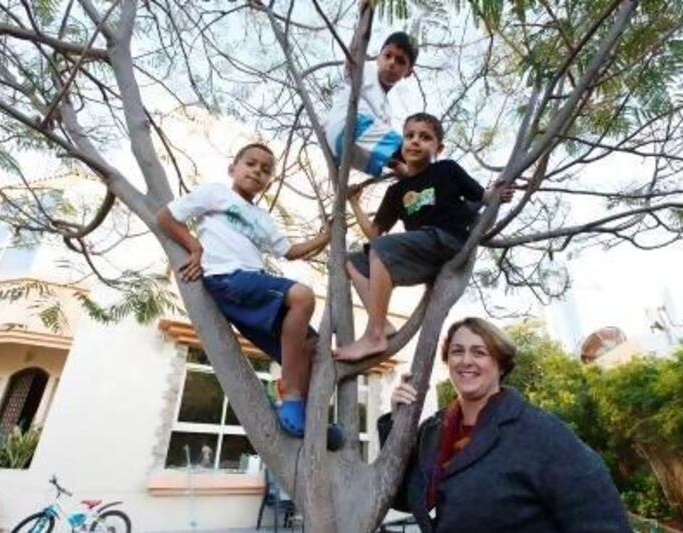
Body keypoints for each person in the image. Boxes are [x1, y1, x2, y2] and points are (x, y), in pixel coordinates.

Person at [378, 317, 631, 532]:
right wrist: (396, 422)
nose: (466, 360)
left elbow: (603, 520)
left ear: (500, 365)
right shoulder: (433, 432)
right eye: (457, 351)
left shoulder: (539, 433)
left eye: (479, 352)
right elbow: (403, 498)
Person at [156, 143, 329, 440]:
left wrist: (326, 235)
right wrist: (195, 247)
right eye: (251, 164)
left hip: (253, 285)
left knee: (312, 345)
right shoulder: (216, 193)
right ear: (232, 168)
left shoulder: (264, 219)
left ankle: (308, 418)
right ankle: (289, 389)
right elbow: (166, 217)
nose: (257, 171)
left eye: (265, 170)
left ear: (269, 181)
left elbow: (290, 251)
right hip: (227, 279)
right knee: (302, 296)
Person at [335, 113, 514, 361]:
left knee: (380, 248)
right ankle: (383, 324)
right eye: (409, 136)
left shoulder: (446, 169)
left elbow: (482, 197)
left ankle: (374, 335)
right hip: (422, 257)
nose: (415, 141)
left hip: (447, 240)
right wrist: (354, 203)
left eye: (425, 137)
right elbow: (374, 233)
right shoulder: (397, 191)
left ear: (438, 148)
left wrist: (497, 194)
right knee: (352, 261)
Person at [324, 31, 417, 178]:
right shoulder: (365, 71)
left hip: (356, 156)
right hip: (347, 127)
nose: (392, 62)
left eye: (400, 61)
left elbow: (381, 147)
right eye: (388, 56)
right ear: (378, 58)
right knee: (413, 149)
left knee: (406, 163)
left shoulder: (386, 110)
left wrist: (400, 167)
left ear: (408, 72)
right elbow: (353, 54)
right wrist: (363, 16)